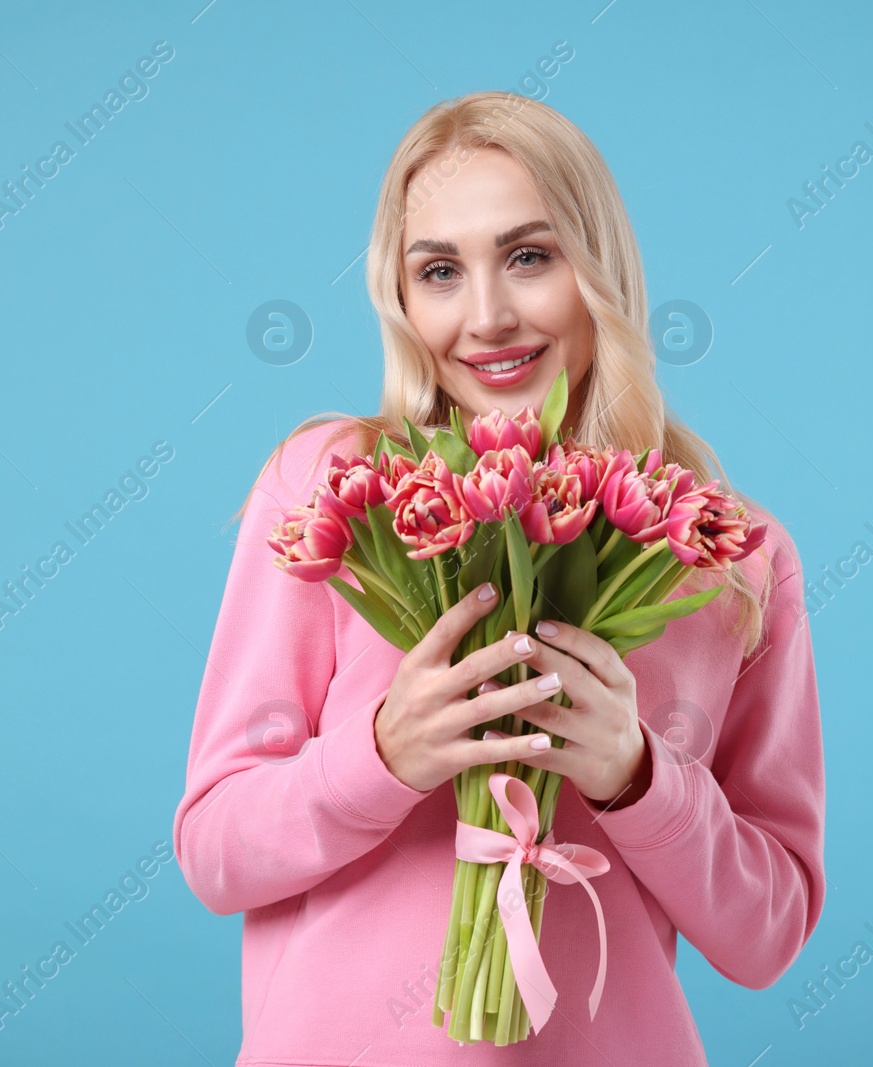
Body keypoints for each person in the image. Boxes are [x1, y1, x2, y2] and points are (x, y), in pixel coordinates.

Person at [172, 90, 825, 1066]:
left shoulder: (725, 549)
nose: (485, 316)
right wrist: (382, 754)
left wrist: (638, 776)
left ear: (596, 268)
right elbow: (216, 852)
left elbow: (766, 930)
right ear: (401, 299)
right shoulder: (335, 490)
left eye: (529, 256)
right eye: (439, 271)